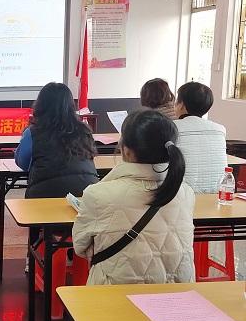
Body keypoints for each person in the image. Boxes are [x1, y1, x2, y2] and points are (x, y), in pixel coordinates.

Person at [73, 110, 195, 285]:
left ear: (127, 151)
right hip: (176, 295)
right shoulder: (186, 192)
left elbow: (80, 246)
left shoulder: (98, 195)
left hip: (114, 294)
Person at [14, 82, 99, 198]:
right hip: (86, 194)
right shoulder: (84, 130)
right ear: (70, 106)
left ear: (40, 105)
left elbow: (22, 163)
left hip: (45, 195)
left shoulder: (33, 132)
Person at [174, 81, 227, 193]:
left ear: (181, 104)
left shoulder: (172, 127)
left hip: (183, 195)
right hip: (216, 194)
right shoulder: (220, 129)